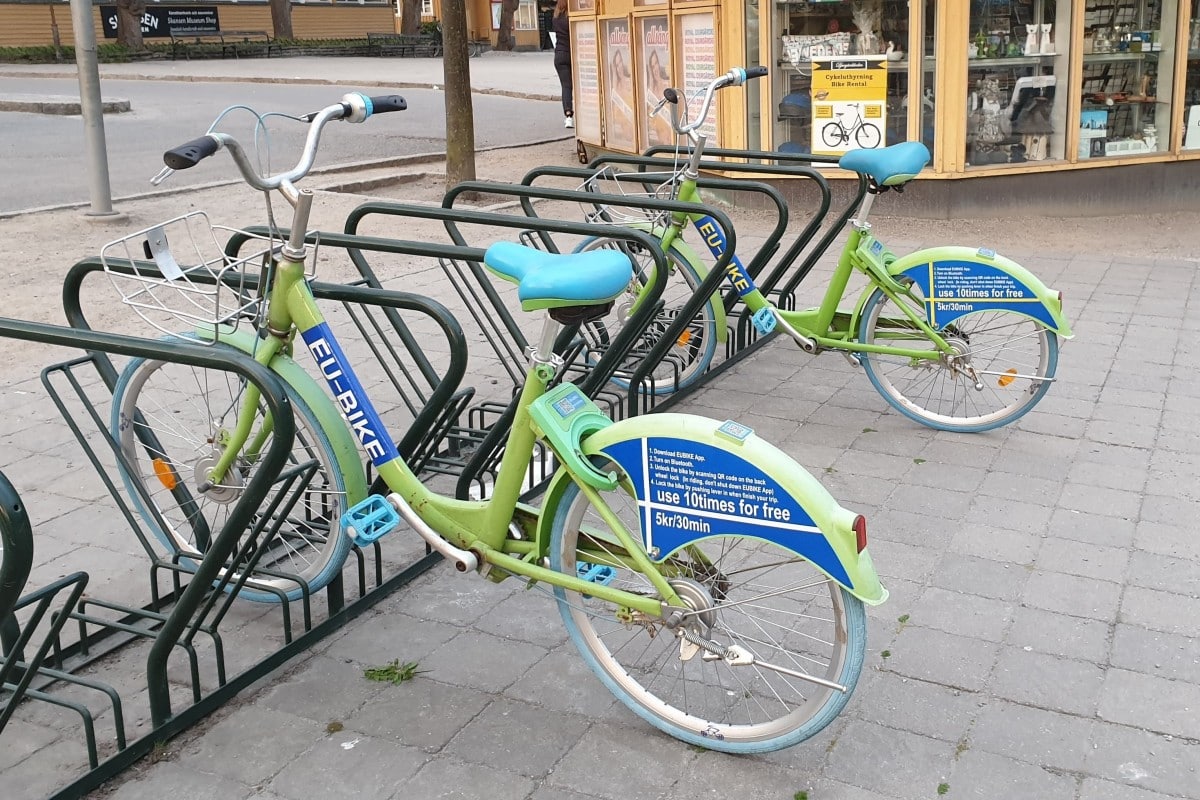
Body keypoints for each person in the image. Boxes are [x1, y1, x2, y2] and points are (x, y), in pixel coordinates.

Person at [553, 0, 573, 128]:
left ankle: (568, 117)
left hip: (559, 55)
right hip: (571, 54)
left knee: (566, 87)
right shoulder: (570, 19)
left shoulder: (556, 19)